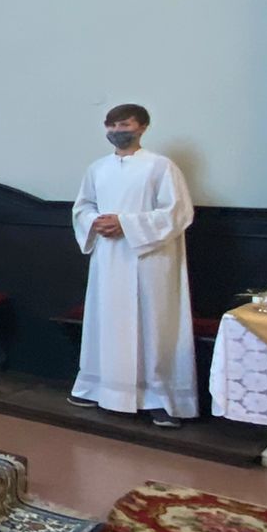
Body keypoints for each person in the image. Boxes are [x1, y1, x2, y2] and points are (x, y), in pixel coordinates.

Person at [70, 103, 198, 425]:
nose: (117, 131)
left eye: (124, 124)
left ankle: (158, 398)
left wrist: (126, 224)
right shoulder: (97, 169)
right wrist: (95, 221)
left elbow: (178, 212)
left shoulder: (160, 167)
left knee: (152, 325)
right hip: (110, 258)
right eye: (111, 126)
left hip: (149, 259)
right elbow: (83, 206)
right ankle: (99, 387)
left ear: (142, 127)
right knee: (107, 321)